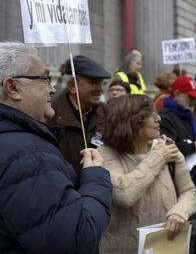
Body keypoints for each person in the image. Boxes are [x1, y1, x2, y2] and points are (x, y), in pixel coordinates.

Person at [0, 43, 112, 252]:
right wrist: (96, 177)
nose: (52, 88)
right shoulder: (28, 157)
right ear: (12, 87)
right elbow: (78, 239)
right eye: (44, 79)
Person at [98, 95, 196, 253]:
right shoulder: (104, 155)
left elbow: (189, 192)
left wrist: (180, 212)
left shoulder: (167, 148)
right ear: (133, 121)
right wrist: (158, 157)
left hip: (167, 247)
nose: (159, 119)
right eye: (152, 115)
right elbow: (125, 195)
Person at [49, 55, 111, 175]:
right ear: (72, 86)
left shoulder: (107, 113)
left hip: (97, 185)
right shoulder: (51, 113)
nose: (99, 89)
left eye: (101, 83)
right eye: (93, 83)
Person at [159, 75, 196, 185]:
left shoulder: (187, 113)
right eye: (191, 97)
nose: (194, 100)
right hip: (175, 179)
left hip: (191, 174)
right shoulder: (164, 116)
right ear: (176, 94)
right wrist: (195, 146)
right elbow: (169, 147)